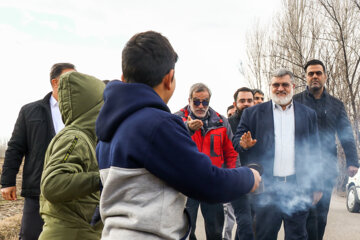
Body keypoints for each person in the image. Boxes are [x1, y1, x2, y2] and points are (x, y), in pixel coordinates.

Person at [95, 31, 261, 240]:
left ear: (123, 78)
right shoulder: (158, 124)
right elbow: (207, 182)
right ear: (169, 78)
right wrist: (249, 176)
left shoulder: (111, 126)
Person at [233, 68, 323, 240]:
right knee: (264, 235)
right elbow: (237, 140)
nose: (280, 88)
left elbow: (315, 150)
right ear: (270, 86)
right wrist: (243, 144)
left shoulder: (308, 114)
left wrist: (317, 185)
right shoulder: (252, 113)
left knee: (297, 236)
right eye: (276, 85)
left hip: (298, 186)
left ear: (293, 86)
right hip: (267, 187)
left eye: (285, 85)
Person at [0, 63, 75, 240]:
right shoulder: (30, 111)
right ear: (55, 82)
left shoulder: (83, 112)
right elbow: (16, 147)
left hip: (73, 189)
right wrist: (7, 181)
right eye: (70, 79)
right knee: (31, 235)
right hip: (38, 188)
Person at [293, 59, 359, 240]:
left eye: (318, 73)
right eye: (311, 73)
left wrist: (353, 161)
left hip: (326, 169)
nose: (315, 76)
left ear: (325, 76)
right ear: (306, 77)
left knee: (320, 217)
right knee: (301, 216)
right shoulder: (295, 102)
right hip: (300, 168)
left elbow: (346, 134)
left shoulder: (336, 105)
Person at [39, 71, 104, 239]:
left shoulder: (88, 138)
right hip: (69, 233)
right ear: (95, 107)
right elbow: (52, 184)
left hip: (80, 232)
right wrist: (102, 178)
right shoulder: (75, 138)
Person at [175, 83, 238, 240]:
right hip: (186, 185)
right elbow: (168, 146)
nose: (201, 106)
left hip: (213, 182)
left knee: (215, 230)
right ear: (189, 100)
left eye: (205, 102)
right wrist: (186, 127)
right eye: (196, 102)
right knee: (186, 230)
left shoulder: (222, 122)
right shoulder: (177, 119)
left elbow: (230, 153)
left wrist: (232, 179)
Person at [227, 87, 256, 240]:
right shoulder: (228, 124)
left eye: (249, 100)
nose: (246, 104)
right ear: (235, 103)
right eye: (242, 101)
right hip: (236, 179)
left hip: (257, 179)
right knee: (245, 222)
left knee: (250, 223)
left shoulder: (261, 121)